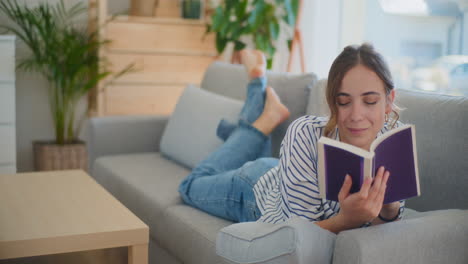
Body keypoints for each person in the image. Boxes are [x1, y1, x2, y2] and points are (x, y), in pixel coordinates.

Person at [178, 43, 404, 234]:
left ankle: (254, 126)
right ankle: (258, 100)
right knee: (190, 185)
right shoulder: (305, 132)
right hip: (256, 188)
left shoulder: (394, 141)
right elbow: (295, 234)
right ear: (333, 102)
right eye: (344, 102)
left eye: (370, 101)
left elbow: (385, 222)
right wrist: (346, 219)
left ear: (389, 101)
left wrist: (390, 207)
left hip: (290, 172)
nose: (356, 116)